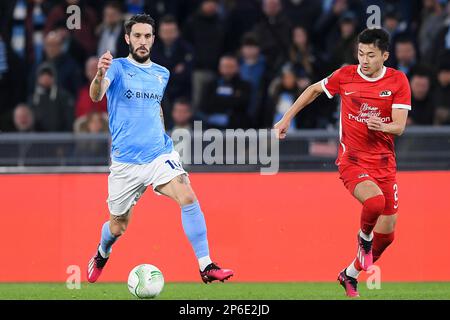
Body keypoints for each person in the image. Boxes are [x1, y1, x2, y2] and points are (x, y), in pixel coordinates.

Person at [87, 14, 233, 284]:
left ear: (153, 39)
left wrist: (162, 137)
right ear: (127, 39)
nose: (143, 41)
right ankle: (101, 252)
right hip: (125, 163)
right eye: (138, 36)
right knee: (118, 226)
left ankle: (206, 265)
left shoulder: (161, 73)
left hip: (158, 154)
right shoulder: (116, 68)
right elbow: (96, 95)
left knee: (187, 195)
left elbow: (155, 109)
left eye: (147, 36)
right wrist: (99, 74)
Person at [274, 28, 411, 298]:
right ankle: (364, 240)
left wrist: (382, 124)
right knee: (374, 203)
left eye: (371, 55)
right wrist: (286, 118)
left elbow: (400, 126)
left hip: (384, 163)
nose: (364, 60)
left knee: (388, 235)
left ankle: (349, 274)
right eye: (361, 53)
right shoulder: (345, 75)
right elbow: (314, 90)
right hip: (352, 160)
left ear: (385, 55)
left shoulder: (397, 81)